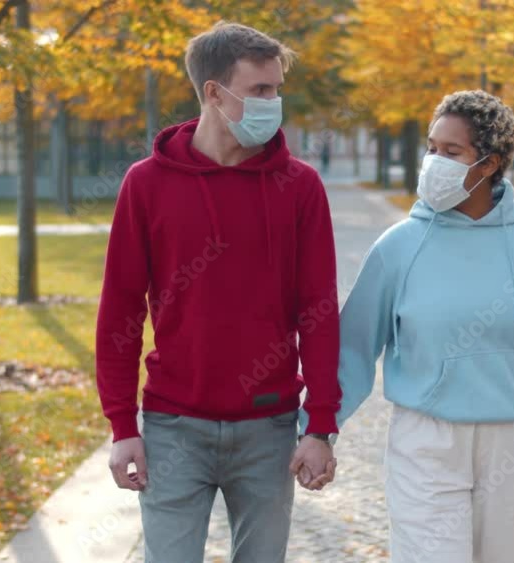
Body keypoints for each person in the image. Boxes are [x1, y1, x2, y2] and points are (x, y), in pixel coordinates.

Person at [321, 90, 514, 563]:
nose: (434, 161)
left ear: (490, 164)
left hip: (512, 444)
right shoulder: (399, 247)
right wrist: (319, 430)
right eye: (432, 149)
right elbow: (352, 349)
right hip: (426, 442)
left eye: (451, 152)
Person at [95, 22, 340, 563]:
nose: (273, 102)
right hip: (173, 428)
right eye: (259, 90)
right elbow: (120, 310)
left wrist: (321, 423)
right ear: (213, 92)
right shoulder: (147, 183)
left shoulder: (299, 187)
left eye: (276, 89)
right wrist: (121, 424)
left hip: (270, 429)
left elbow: (318, 312)